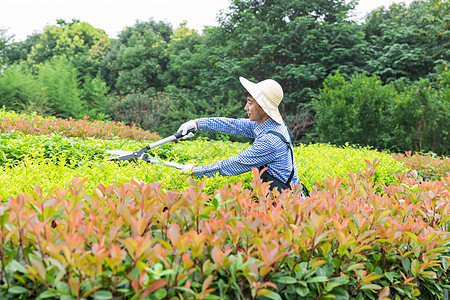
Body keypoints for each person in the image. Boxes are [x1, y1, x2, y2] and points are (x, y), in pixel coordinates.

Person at [178, 76, 309, 196]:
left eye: (250, 103)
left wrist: (195, 171)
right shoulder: (267, 124)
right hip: (280, 196)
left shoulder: (270, 141)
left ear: (264, 108)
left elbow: (233, 165)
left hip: (287, 204)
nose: (246, 107)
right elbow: (232, 125)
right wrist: (196, 124)